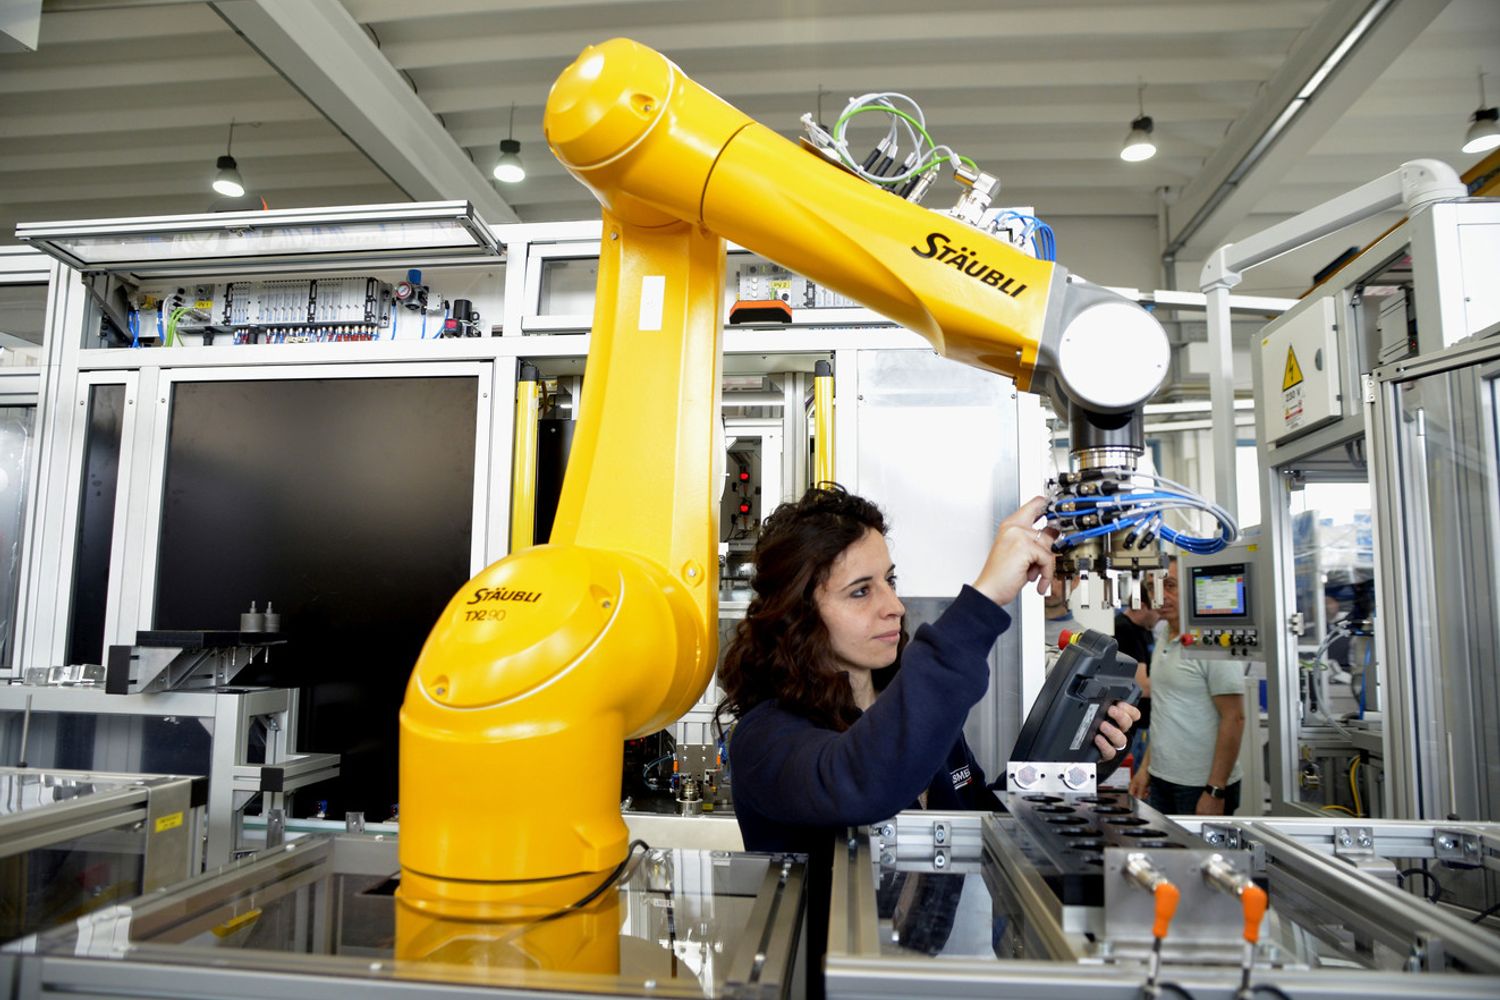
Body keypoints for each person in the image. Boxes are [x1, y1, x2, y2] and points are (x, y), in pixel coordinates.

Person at [717, 485, 1139, 855]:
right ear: (797, 613)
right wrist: (985, 599)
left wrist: (1070, 759)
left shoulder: (911, 708)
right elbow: (862, 781)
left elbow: (976, 822)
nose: (894, 606)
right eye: (861, 591)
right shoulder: (765, 739)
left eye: (889, 581)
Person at [1127, 558, 1247, 815]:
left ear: (1192, 588)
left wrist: (1215, 789)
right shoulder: (1164, 636)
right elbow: (1165, 712)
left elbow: (1234, 718)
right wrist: (1145, 769)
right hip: (1161, 778)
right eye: (1153, 587)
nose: (1161, 595)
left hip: (1200, 785)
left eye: (1170, 585)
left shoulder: (1213, 640)